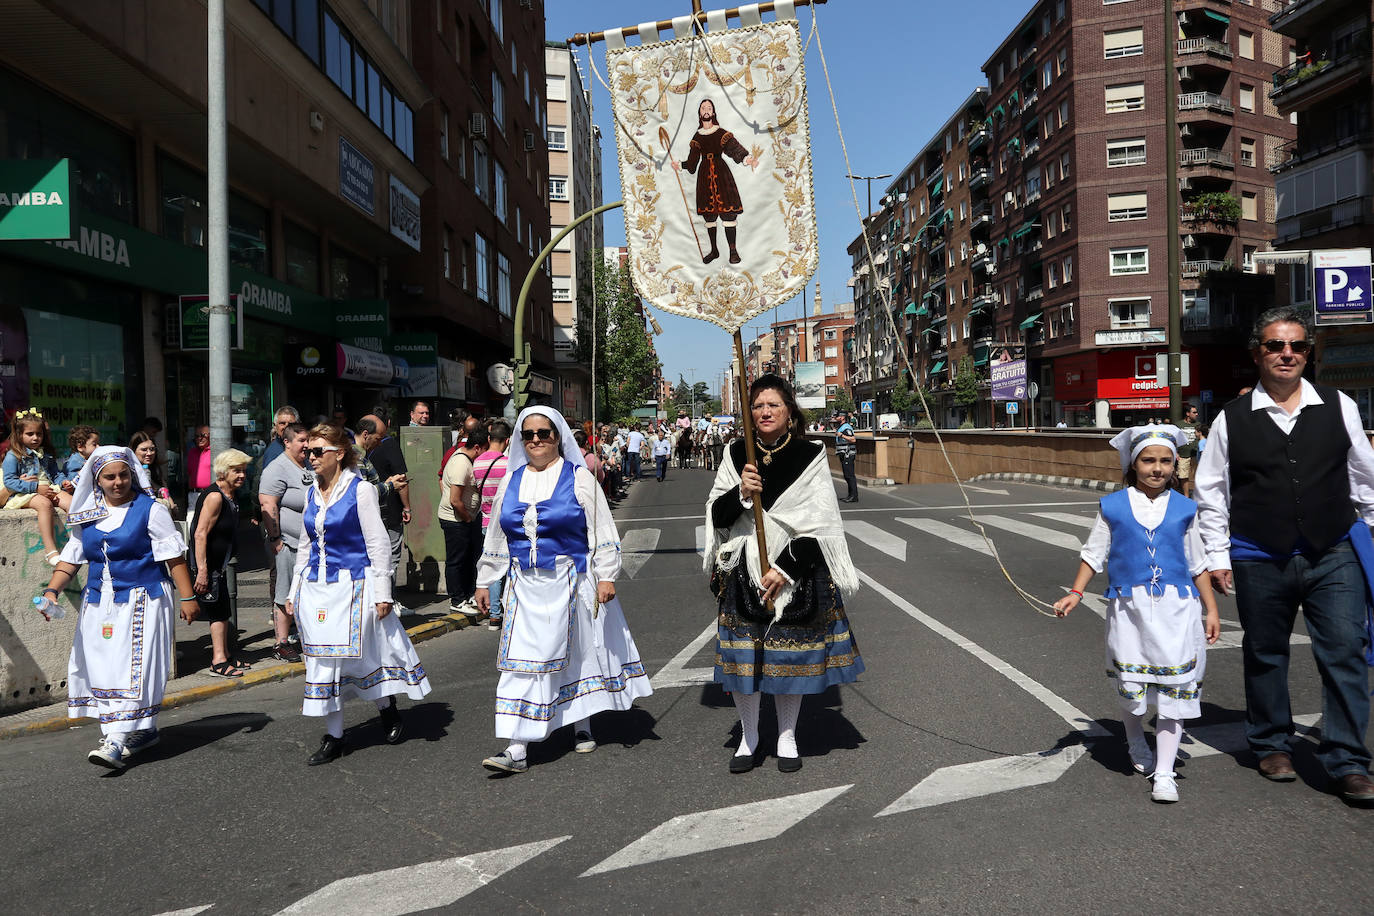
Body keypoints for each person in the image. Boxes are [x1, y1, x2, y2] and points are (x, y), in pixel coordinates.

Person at [1195, 307, 1374, 804]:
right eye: (1275, 345)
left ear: (1308, 352)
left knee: (1343, 650)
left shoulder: (1339, 406)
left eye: (1296, 345)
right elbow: (1211, 492)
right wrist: (1217, 555)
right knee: (1265, 652)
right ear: (1257, 353)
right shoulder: (1231, 418)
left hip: (1333, 551)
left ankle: (1348, 761)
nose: (1287, 354)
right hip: (1258, 554)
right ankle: (1271, 743)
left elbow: (1364, 475)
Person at [473, 407, 651, 774]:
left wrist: (606, 575)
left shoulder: (579, 477)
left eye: (545, 433)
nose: (537, 440)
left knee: (576, 657)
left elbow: (601, 529)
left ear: (558, 437)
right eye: (529, 434)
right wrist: (484, 578)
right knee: (521, 663)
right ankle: (516, 747)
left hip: (569, 581)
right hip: (524, 587)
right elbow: (497, 534)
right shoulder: (511, 481)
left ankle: (581, 723)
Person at [704, 374, 863, 774]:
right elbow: (717, 517)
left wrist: (784, 569)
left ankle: (787, 736)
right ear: (749, 413)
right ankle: (749, 736)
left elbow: (821, 526)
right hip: (743, 571)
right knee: (745, 661)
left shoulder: (810, 455)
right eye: (757, 406)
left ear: (790, 412)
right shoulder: (736, 451)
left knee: (786, 659)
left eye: (773, 404)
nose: (765, 412)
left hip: (794, 572)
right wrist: (741, 493)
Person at [1053, 425, 1221, 803]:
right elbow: (1093, 553)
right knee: (1133, 689)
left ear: (1175, 465)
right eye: (1148, 460)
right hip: (1129, 610)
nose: (1157, 468)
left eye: (1165, 460)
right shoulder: (1113, 506)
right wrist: (1076, 593)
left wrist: (1211, 610)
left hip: (1177, 610)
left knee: (1174, 692)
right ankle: (1135, 742)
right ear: (1133, 464)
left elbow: (1199, 564)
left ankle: (1165, 773)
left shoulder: (1185, 508)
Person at [39, 446, 200, 769]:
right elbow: (71, 560)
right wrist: (52, 591)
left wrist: (188, 597)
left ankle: (115, 739)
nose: (118, 482)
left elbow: (173, 557)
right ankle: (142, 730)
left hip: (144, 598)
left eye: (123, 475)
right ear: (96, 480)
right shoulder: (87, 515)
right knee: (103, 665)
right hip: (99, 601)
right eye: (109, 477)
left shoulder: (150, 510)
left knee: (133, 668)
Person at [286, 424, 432, 765]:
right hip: (317, 589)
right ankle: (334, 736)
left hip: (354, 586)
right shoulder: (312, 493)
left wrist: (383, 593)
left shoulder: (361, 490)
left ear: (339, 453)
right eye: (308, 451)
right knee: (324, 664)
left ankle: (386, 708)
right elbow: (305, 548)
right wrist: (293, 592)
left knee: (364, 657)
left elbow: (378, 544)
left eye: (318, 451)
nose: (311, 457)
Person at [671, 98, 760, 264]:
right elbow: (692, 164)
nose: (706, 110)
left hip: (722, 173)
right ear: (699, 113)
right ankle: (714, 250)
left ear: (713, 113)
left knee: (728, 212)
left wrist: (747, 159)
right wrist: (680, 165)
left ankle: (733, 251)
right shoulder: (697, 137)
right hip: (704, 176)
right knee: (709, 216)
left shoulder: (721, 133)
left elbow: (734, 149)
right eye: (703, 108)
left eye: (709, 108)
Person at [189, 448, 253, 677]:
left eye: (244, 471)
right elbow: (200, 533)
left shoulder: (230, 495)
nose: (242, 475)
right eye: (237, 471)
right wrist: (202, 571)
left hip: (219, 564)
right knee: (217, 611)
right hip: (209, 565)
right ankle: (218, 661)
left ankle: (225, 656)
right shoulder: (215, 496)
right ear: (223, 472)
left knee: (224, 609)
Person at [258, 422, 312, 663]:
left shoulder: (308, 464)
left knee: (308, 593)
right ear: (287, 442)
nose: (307, 445)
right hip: (289, 544)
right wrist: (275, 538)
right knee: (285, 592)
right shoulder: (277, 468)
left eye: (307, 440)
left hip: (311, 545)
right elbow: (268, 505)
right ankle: (281, 643)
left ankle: (306, 636)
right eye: (301, 440)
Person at [2, 409, 72, 565]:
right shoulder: (13, 455)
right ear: (19, 434)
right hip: (25, 493)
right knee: (44, 504)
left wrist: (63, 482)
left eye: (39, 434)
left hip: (48, 488)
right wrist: (35, 487)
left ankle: (79, 540)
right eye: (30, 434)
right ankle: (50, 549)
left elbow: (55, 474)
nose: (35, 438)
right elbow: (9, 481)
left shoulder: (46, 453)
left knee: (71, 502)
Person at [357, 415, 411, 616]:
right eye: (378, 438)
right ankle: (386, 600)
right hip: (373, 520)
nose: (380, 443)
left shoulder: (361, 457)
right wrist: (390, 486)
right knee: (386, 559)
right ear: (365, 434)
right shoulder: (356, 459)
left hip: (377, 517)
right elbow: (361, 494)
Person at [439, 425, 486, 618]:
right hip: (456, 520)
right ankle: (457, 600)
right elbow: (455, 499)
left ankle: (466, 596)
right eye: (484, 449)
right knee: (457, 560)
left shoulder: (464, 458)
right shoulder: (461, 465)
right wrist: (467, 518)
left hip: (463, 519)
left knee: (467, 559)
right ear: (477, 447)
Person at [475, 420, 512, 630]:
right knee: (504, 567)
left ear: (489, 439)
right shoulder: (507, 464)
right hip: (504, 522)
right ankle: (498, 612)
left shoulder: (477, 462)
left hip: (485, 520)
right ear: (507, 441)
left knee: (492, 562)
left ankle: (494, 614)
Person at [129, 431, 174, 512]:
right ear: (133, 451)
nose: (149, 453)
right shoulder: (129, 473)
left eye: (152, 449)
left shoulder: (155, 470)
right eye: (144, 450)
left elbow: (164, 490)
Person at [260, 406, 301, 471]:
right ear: (275, 426)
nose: (286, 427)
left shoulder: (302, 446)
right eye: (282, 423)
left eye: (291, 424)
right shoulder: (274, 453)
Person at [185, 425, 213, 511]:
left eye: (203, 435)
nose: (199, 438)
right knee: (191, 520)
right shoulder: (192, 452)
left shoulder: (214, 452)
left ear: (210, 436)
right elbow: (189, 473)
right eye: (197, 436)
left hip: (210, 494)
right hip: (194, 494)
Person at [1177, 404, 1201, 498]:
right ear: (1187, 413)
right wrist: (1175, 452)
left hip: (1195, 455)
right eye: (1194, 412)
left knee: (1195, 476)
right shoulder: (1178, 425)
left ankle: (1195, 495)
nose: (1197, 414)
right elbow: (1174, 439)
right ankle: (1186, 496)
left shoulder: (1198, 425)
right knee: (1183, 476)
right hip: (1182, 455)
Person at [834, 411, 859, 503]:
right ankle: (850, 495)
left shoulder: (846, 427)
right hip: (843, 454)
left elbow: (853, 439)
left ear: (842, 417)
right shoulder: (841, 427)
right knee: (847, 475)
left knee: (850, 475)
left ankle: (854, 496)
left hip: (848, 454)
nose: (835, 418)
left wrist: (842, 435)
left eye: (837, 417)